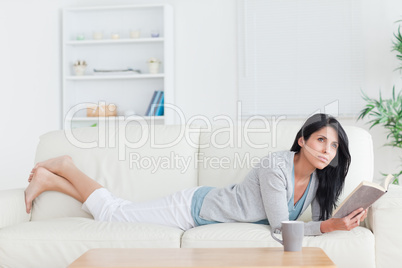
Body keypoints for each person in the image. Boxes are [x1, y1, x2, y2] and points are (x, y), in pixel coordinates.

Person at [24, 113, 367, 236]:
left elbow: (320, 224)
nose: (326, 150)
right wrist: (328, 227)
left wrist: (343, 219)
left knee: (118, 209)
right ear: (302, 140)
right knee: (114, 214)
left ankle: (52, 181)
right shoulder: (276, 166)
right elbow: (282, 229)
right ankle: (66, 166)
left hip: (200, 215)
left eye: (334, 146)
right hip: (192, 209)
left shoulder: (321, 180)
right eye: (321, 140)